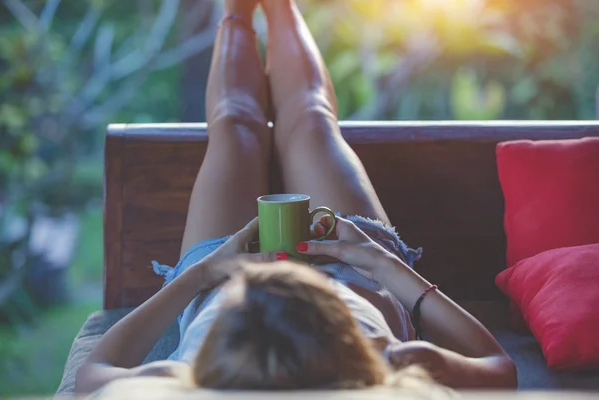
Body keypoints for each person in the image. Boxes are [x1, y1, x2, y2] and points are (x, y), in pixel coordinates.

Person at [75, 0, 517, 395]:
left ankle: (238, 9)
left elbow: (91, 375)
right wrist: (378, 262)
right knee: (310, 119)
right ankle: (280, 7)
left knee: (233, 126)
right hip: (353, 269)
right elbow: (500, 369)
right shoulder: (389, 367)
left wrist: (207, 273)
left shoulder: (197, 378)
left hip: (219, 278)